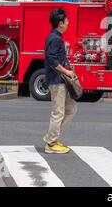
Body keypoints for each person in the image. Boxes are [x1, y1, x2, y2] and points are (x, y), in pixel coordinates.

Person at [43, 8, 78, 154]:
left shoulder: (56, 37)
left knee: (71, 109)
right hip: (57, 81)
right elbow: (51, 59)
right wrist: (66, 71)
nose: (68, 23)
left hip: (61, 80)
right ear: (61, 23)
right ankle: (51, 144)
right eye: (67, 21)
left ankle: (52, 136)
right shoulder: (55, 38)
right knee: (58, 112)